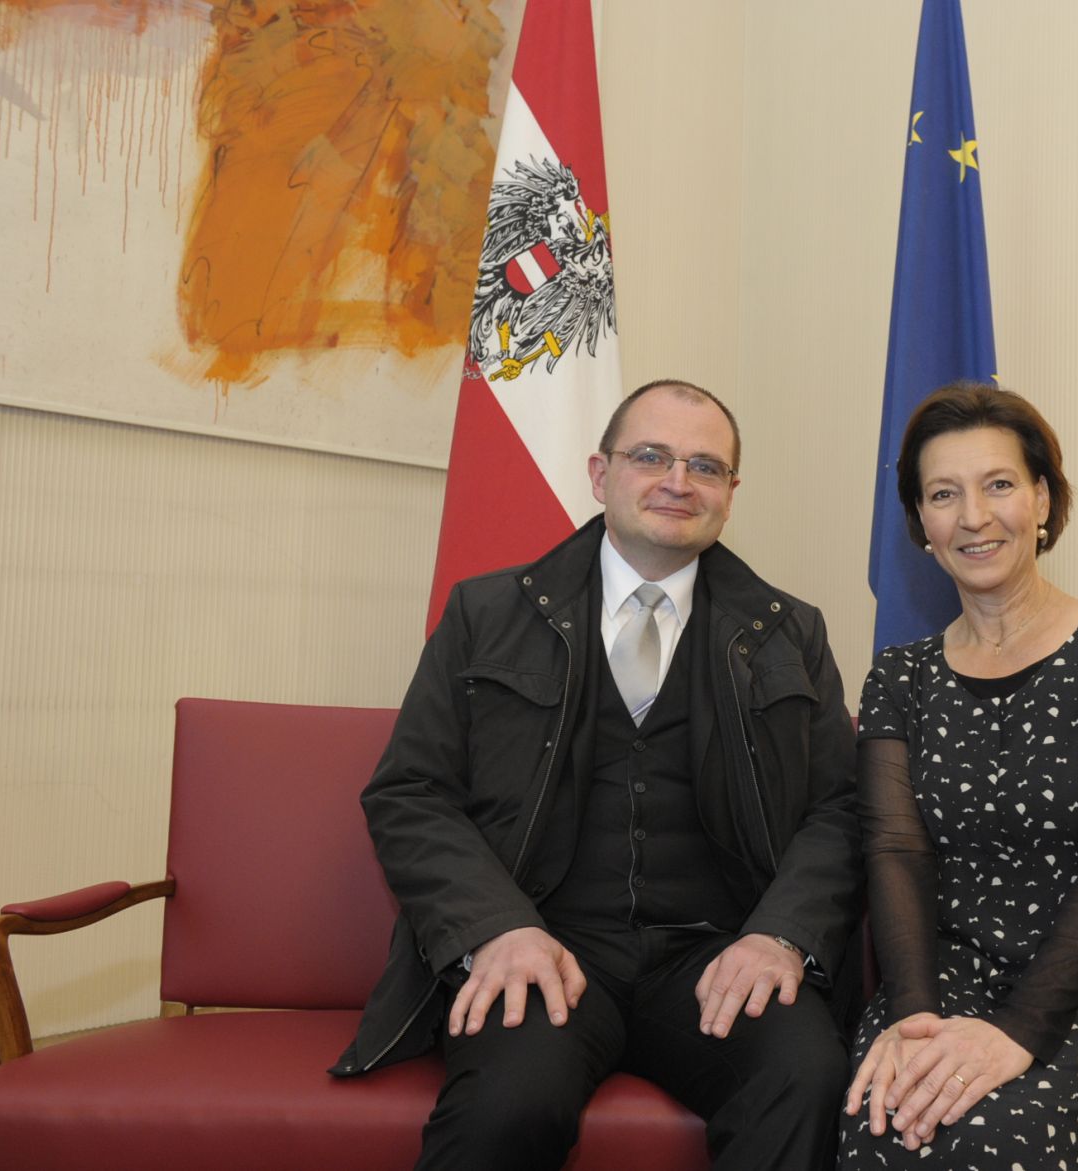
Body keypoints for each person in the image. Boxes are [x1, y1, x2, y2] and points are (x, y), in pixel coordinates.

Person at [332, 380, 862, 1171]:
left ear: (730, 493)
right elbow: (411, 792)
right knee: (507, 1107)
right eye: (650, 455)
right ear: (599, 472)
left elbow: (841, 808)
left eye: (705, 466)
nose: (678, 480)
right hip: (544, 945)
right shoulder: (486, 612)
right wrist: (495, 928)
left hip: (714, 957)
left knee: (806, 1077)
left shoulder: (790, 632)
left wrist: (781, 937)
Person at [839, 382, 1078, 1170]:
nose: (974, 516)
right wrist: (913, 1020)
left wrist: (1018, 1030)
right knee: (878, 1129)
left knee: (993, 1141)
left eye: (1000, 484)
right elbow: (895, 852)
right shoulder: (898, 678)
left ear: (1043, 499)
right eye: (943, 494)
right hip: (952, 973)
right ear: (921, 525)